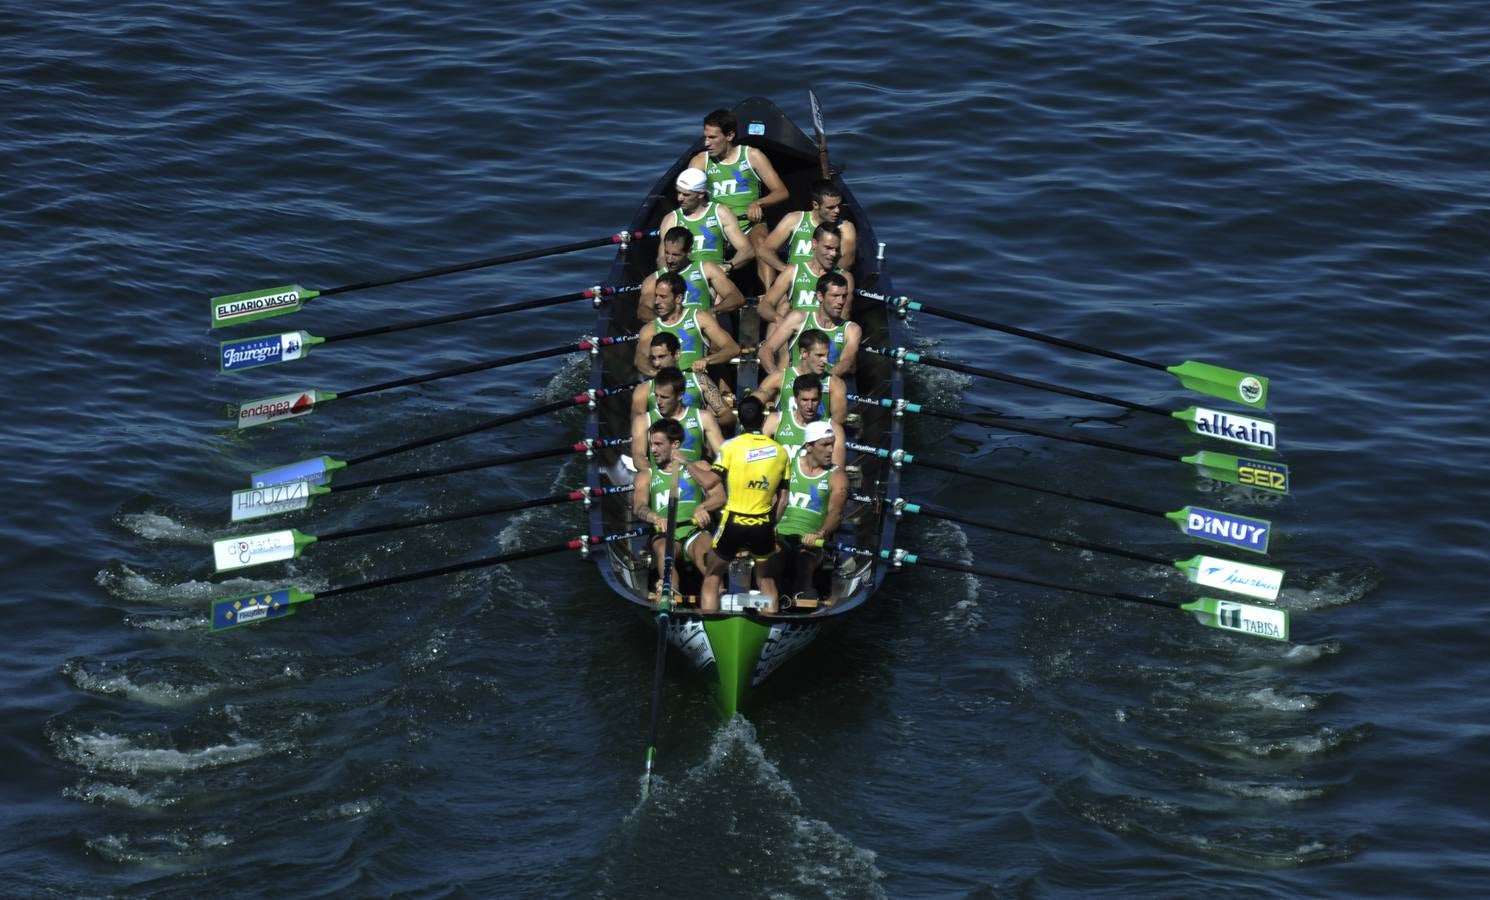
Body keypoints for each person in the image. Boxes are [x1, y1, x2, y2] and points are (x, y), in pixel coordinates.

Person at [703, 395, 789, 613]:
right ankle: (768, 621)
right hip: (763, 525)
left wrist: (686, 463)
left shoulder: (730, 447)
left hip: (733, 521)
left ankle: (710, 623)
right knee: (766, 579)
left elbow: (710, 481)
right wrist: (771, 522)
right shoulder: (780, 452)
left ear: (740, 421)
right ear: (763, 420)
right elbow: (784, 498)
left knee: (712, 575)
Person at [633, 417, 728, 612]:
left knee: (708, 553)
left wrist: (704, 507)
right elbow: (639, 507)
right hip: (666, 534)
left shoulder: (700, 467)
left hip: (694, 531)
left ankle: (717, 597)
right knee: (664, 551)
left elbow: (720, 497)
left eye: (659, 444)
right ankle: (671, 595)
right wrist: (655, 518)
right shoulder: (647, 475)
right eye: (651, 444)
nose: (653, 449)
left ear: (675, 444)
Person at [688, 109, 790, 285]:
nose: (706, 143)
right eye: (705, 137)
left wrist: (758, 203)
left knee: (761, 242)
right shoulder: (700, 161)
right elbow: (688, 198)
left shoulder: (752, 156)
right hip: (719, 224)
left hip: (751, 222)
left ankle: (767, 295)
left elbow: (781, 192)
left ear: (730, 136)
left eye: (712, 138)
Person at [769, 420, 848, 607]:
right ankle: (770, 601)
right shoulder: (787, 466)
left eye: (832, 444)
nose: (831, 450)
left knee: (804, 559)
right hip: (779, 535)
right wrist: (767, 527)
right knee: (773, 555)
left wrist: (819, 534)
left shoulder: (837, 476)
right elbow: (770, 499)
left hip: (811, 541)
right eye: (825, 444)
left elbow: (836, 514)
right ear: (809, 446)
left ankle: (802, 599)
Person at [633, 272, 740, 376]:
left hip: (695, 384)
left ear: (678, 298)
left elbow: (733, 348)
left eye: (663, 297)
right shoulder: (650, 329)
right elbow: (640, 359)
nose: (656, 301)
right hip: (665, 387)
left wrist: (706, 360)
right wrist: (658, 375)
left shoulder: (700, 319)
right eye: (656, 296)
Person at [759, 271, 860, 376]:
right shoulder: (798, 318)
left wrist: (820, 381)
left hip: (830, 386)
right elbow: (765, 350)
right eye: (835, 295)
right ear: (820, 296)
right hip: (797, 386)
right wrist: (777, 377)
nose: (841, 301)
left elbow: (847, 362)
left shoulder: (851, 329)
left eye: (844, 296)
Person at [631, 331, 737, 431]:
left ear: (677, 354)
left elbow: (728, 416)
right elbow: (637, 426)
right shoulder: (644, 389)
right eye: (653, 358)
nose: (656, 363)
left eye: (662, 357)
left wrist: (704, 423)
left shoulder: (699, 380)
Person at [638, 227, 745, 323]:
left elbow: (737, 298)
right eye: (667, 253)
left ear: (688, 252)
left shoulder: (707, 269)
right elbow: (643, 310)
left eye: (675, 255)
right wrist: (669, 323)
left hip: (702, 330)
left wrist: (711, 311)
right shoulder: (653, 279)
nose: (669, 260)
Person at [656, 167, 754, 270]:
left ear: (701, 194)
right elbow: (662, 258)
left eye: (686, 194)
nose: (679, 198)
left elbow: (747, 250)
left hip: (715, 277)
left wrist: (728, 266)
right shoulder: (671, 219)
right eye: (678, 192)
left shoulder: (721, 213)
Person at [759, 222, 854, 325]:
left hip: (826, 337)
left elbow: (844, 315)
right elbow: (764, 306)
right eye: (828, 248)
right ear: (814, 244)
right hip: (797, 334)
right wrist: (781, 322)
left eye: (837, 249)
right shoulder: (792, 272)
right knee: (783, 309)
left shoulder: (845, 277)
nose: (833, 254)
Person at [761, 178, 858, 277]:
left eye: (839, 205)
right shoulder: (794, 219)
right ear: (815, 205)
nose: (837, 211)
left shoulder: (845, 227)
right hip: (796, 282)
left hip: (824, 282)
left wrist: (828, 276)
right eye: (831, 207)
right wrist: (785, 270)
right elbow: (765, 249)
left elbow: (848, 258)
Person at [630, 366, 724, 466]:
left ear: (680, 395)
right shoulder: (643, 421)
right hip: (660, 479)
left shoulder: (704, 418)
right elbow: (638, 457)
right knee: (641, 480)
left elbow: (723, 455)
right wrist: (653, 475)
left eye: (664, 397)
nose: (658, 402)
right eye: (656, 395)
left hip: (695, 477)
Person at [754, 329, 847, 426]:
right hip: (784, 438)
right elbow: (751, 405)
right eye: (819, 355)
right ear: (804, 353)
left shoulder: (835, 383)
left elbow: (838, 419)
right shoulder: (779, 378)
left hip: (818, 438)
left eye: (826, 355)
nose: (825, 360)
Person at [763, 373, 845, 467]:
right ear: (795, 399)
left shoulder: (834, 429)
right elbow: (757, 458)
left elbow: (837, 472)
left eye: (814, 400)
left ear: (820, 399)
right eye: (805, 400)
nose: (809, 406)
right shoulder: (775, 421)